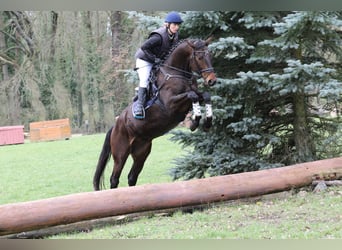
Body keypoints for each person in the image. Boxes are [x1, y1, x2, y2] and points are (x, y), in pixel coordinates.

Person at [133, 11, 183, 119]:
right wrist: (154, 59)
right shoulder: (158, 36)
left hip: (156, 60)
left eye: (178, 25)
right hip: (144, 59)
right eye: (174, 24)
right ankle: (139, 106)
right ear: (167, 24)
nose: (176, 27)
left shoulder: (174, 36)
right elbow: (144, 47)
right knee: (144, 80)